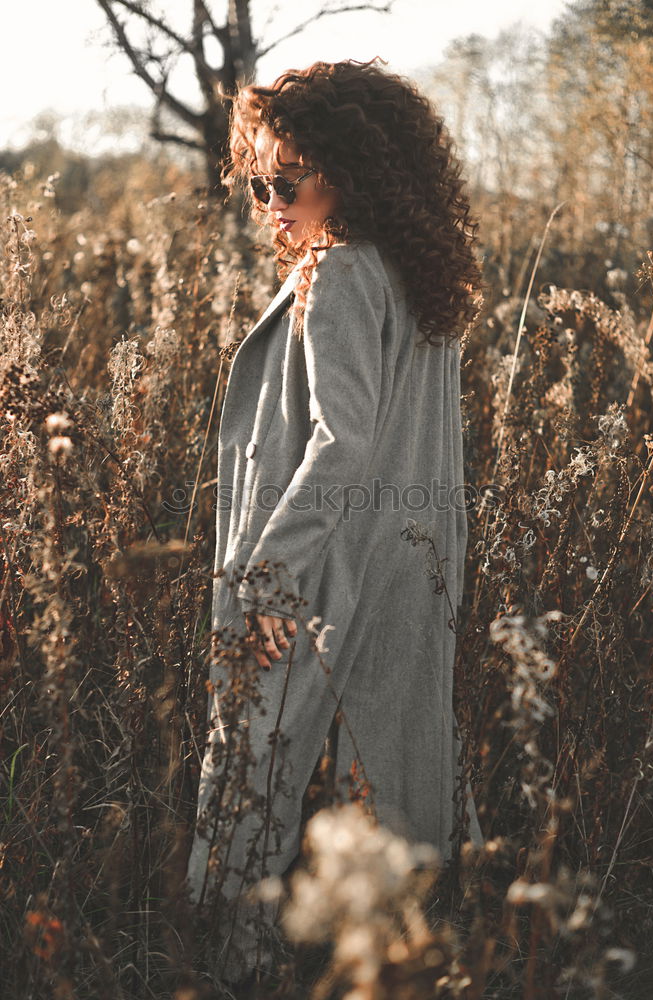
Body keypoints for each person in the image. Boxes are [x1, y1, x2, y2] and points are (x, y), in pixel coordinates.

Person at [185, 56, 486, 988]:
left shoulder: (343, 274)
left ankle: (224, 958)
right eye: (256, 181)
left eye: (288, 180)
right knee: (389, 772)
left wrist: (269, 574)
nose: (268, 202)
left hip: (317, 572)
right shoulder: (414, 276)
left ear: (350, 178)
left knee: (252, 768)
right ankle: (398, 949)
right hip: (406, 561)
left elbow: (342, 439)